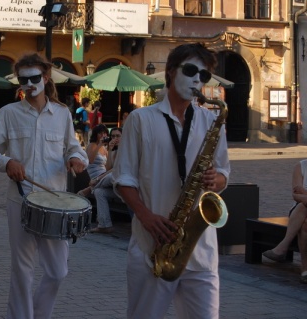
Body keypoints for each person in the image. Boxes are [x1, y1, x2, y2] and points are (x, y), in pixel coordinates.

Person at [112, 43, 230, 319]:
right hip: (153, 247)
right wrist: (146, 217)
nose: (197, 80)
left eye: (203, 76)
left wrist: (217, 180)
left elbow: (224, 172)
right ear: (171, 72)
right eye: (190, 71)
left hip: (201, 251)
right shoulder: (141, 119)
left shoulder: (212, 121)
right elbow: (123, 178)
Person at [0, 53, 87, 319]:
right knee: (22, 270)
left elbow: (74, 147)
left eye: (34, 78)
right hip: (20, 201)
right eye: (24, 80)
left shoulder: (61, 114)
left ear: (46, 78)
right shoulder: (8, 114)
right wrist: (6, 162)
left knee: (58, 271)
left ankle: (38, 313)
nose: (29, 84)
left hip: (55, 202)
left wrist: (76, 158)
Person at [263, 159, 307, 283]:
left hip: (301, 209)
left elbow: (300, 193)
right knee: (304, 219)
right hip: (299, 210)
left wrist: (304, 192)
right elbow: (296, 195)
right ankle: (305, 271)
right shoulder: (301, 166)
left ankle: (283, 247)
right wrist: (303, 196)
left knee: (304, 207)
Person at [90, 127, 123, 234]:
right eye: (113, 136)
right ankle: (104, 225)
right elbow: (108, 168)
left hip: (126, 185)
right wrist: (109, 150)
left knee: (110, 176)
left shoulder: (126, 149)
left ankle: (88, 189)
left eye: (118, 136)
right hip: (116, 186)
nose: (115, 138)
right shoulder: (112, 149)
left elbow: (116, 169)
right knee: (99, 192)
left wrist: (97, 179)